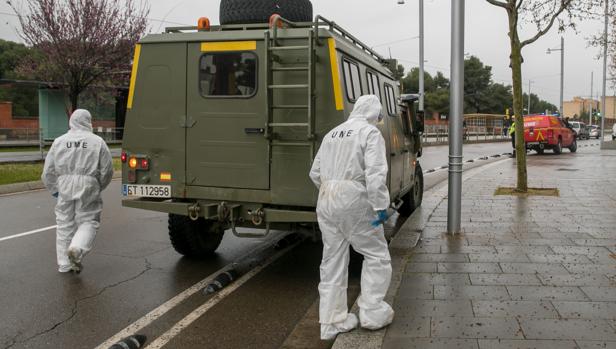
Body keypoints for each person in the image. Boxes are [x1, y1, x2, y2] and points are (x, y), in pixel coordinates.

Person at [309, 95, 394, 340]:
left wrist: (331, 191)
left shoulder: (332, 134)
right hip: (354, 198)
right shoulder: (369, 133)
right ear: (374, 113)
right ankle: (371, 313)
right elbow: (376, 174)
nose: (378, 121)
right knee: (376, 255)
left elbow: (315, 172)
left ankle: (331, 323)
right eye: (378, 117)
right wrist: (380, 206)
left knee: (332, 260)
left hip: (326, 198)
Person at [42, 109, 114, 273]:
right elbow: (107, 170)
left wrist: (54, 189)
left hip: (64, 183)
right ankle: (77, 247)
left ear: (71, 121)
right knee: (89, 221)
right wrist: (98, 186)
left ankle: (64, 264)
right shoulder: (97, 141)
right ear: (88, 121)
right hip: (88, 182)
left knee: (64, 223)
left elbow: (48, 171)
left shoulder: (59, 141)